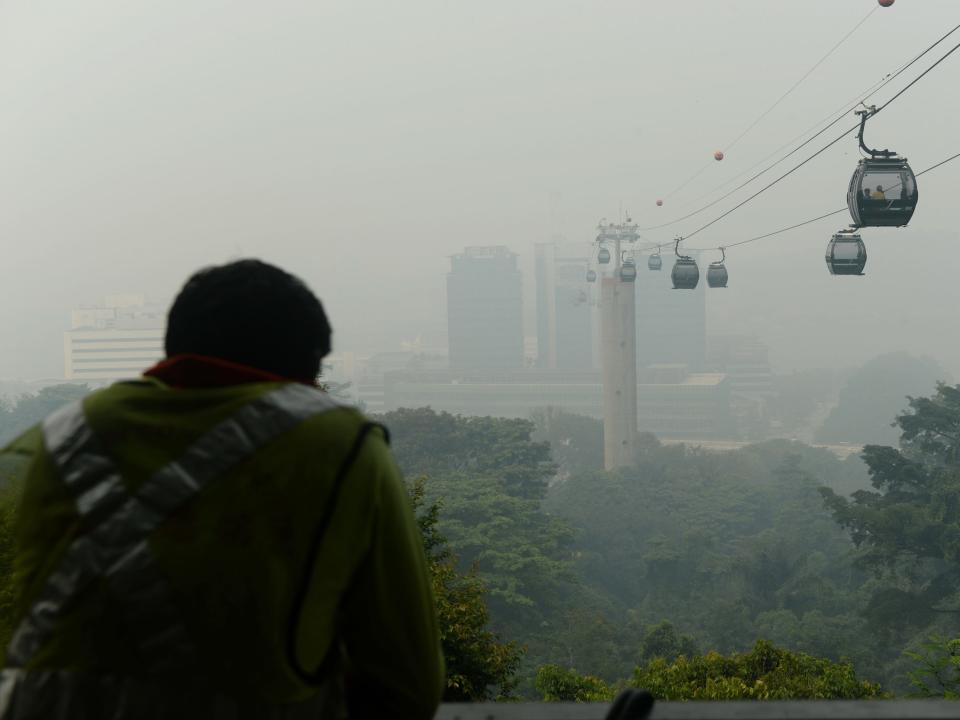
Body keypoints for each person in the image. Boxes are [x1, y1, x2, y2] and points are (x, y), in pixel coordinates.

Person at [0, 259, 444, 719]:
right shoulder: (340, 443)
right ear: (304, 372)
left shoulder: (62, 437)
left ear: (173, 350)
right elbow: (408, 687)